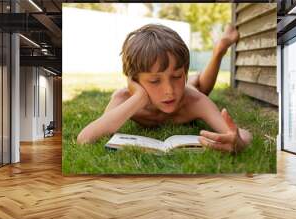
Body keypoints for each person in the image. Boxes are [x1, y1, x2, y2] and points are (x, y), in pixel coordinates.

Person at [77, 23, 252, 153]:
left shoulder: (194, 101)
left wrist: (239, 142)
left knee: (200, 87)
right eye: (154, 81)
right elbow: (85, 138)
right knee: (193, 84)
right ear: (135, 80)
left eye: (176, 76)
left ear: (183, 72)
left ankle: (219, 49)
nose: (169, 90)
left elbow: (240, 134)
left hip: (191, 90)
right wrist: (139, 97)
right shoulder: (123, 98)